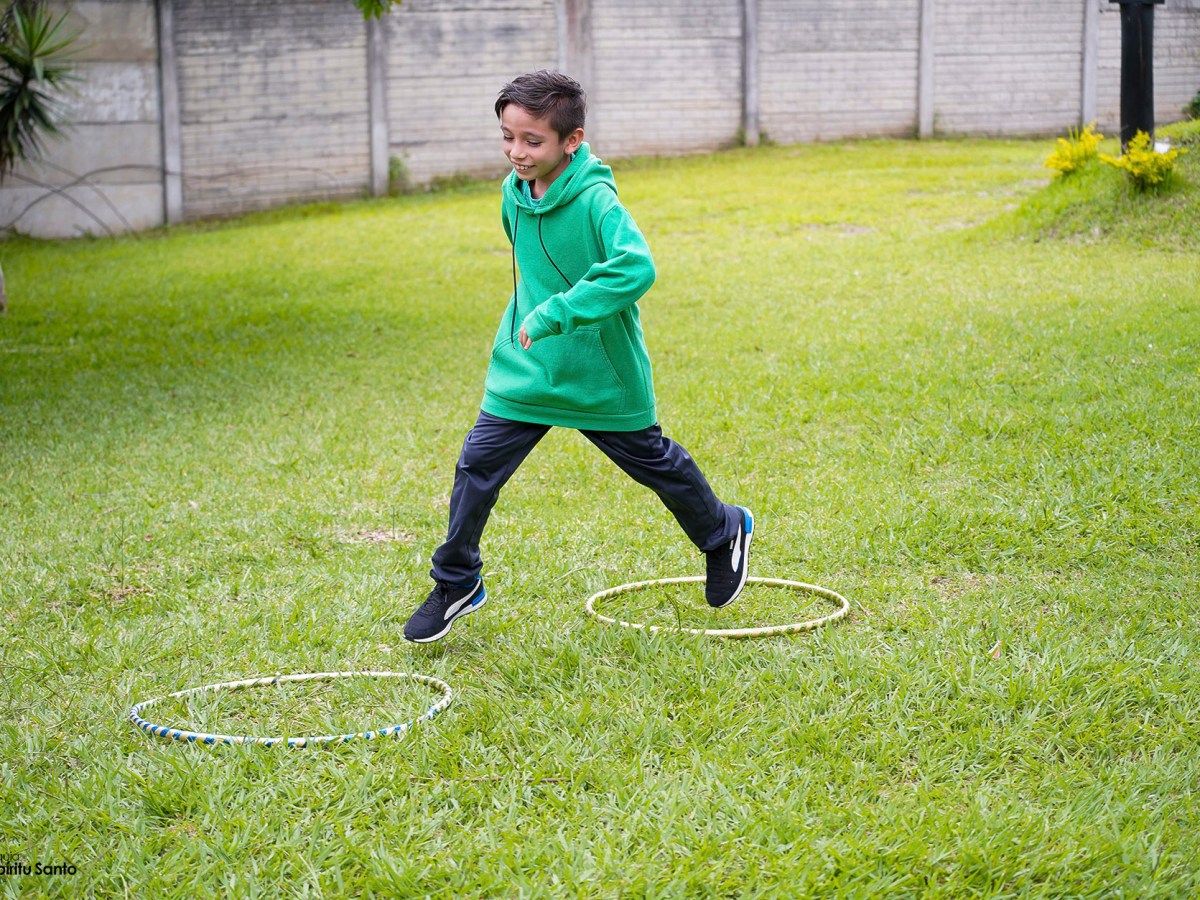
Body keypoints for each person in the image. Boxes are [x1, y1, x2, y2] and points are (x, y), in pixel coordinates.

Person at [403, 70, 753, 643]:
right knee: (476, 468)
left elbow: (636, 267)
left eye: (532, 141)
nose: (517, 152)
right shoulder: (512, 196)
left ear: (572, 140)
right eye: (507, 137)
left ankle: (723, 531)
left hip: (599, 372)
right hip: (528, 367)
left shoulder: (595, 199)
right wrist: (528, 322)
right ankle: (457, 580)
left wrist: (555, 313)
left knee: (654, 464)